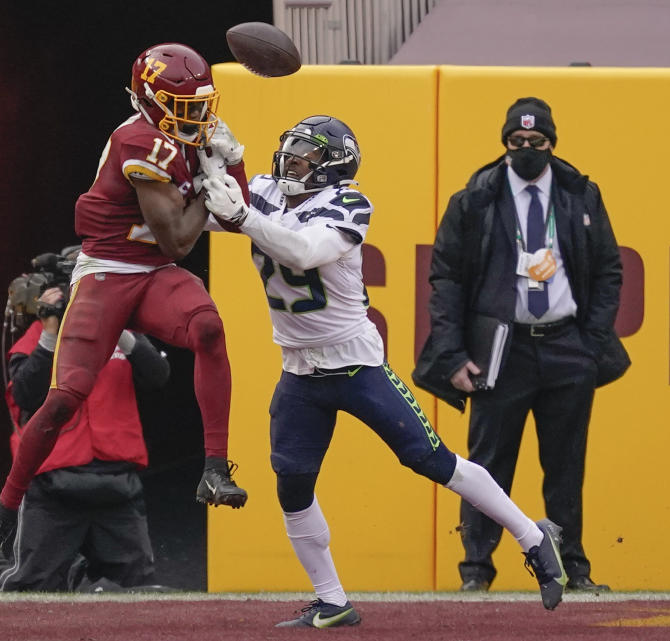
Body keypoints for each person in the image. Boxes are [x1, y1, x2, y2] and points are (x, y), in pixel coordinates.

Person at [202, 115, 568, 626]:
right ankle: (332, 602)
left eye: (306, 156)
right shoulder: (262, 192)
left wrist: (243, 218)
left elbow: (304, 252)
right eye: (290, 152)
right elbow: (196, 213)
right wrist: (207, 163)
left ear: (334, 166)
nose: (291, 163)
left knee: (430, 458)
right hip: (299, 370)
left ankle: (533, 537)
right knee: (291, 484)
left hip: (354, 364)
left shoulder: (348, 202)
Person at [0, 42, 249, 563]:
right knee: (63, 397)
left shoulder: (190, 134)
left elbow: (239, 216)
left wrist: (235, 168)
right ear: (149, 100)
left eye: (201, 104)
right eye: (183, 106)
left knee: (209, 328)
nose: (197, 117)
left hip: (154, 272)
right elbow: (178, 242)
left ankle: (214, 469)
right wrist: (213, 188)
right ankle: (4, 514)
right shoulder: (139, 140)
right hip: (110, 271)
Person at [412, 97, 629, 594]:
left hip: (566, 347)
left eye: (538, 142)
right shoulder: (477, 198)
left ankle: (574, 568)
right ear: (504, 143)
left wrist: (591, 346)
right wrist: (451, 353)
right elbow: (445, 279)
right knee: (487, 466)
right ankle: (477, 572)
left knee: (566, 465)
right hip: (500, 351)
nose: (527, 150)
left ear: (553, 144)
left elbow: (608, 269)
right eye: (517, 142)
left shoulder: (580, 195)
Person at [0, 247, 171, 591]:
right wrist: (50, 329)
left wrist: (117, 322)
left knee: (139, 590)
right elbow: (25, 394)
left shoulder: (126, 334)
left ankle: (83, 577)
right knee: (33, 591)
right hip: (54, 483)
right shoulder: (38, 337)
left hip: (116, 483)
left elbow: (159, 375)